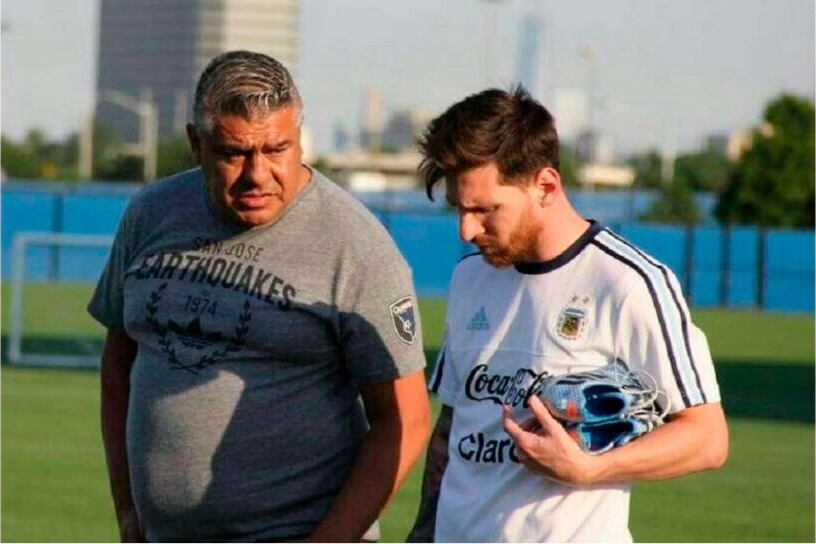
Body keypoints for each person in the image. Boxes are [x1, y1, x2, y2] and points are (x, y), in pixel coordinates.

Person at [89, 50, 431, 542]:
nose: (257, 174)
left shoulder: (354, 244)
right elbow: (118, 366)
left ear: (298, 139)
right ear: (196, 143)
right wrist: (127, 514)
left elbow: (406, 419)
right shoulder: (152, 214)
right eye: (234, 153)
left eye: (276, 149)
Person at [407, 86, 728, 543]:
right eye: (460, 209)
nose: (467, 228)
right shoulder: (469, 277)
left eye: (485, 210)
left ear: (546, 186)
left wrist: (591, 468)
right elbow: (454, 425)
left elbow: (708, 438)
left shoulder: (628, 283)